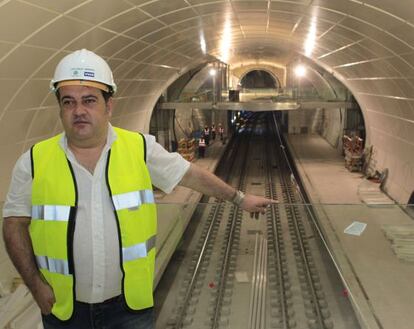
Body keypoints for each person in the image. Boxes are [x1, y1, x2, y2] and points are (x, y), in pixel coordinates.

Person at [2, 49, 275, 329]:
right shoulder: (34, 162)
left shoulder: (140, 149)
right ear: (59, 107)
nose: (79, 111)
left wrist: (239, 198)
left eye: (89, 100)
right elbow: (13, 223)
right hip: (64, 310)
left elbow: (190, 175)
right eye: (68, 101)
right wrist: (35, 284)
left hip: (129, 309)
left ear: (109, 106)